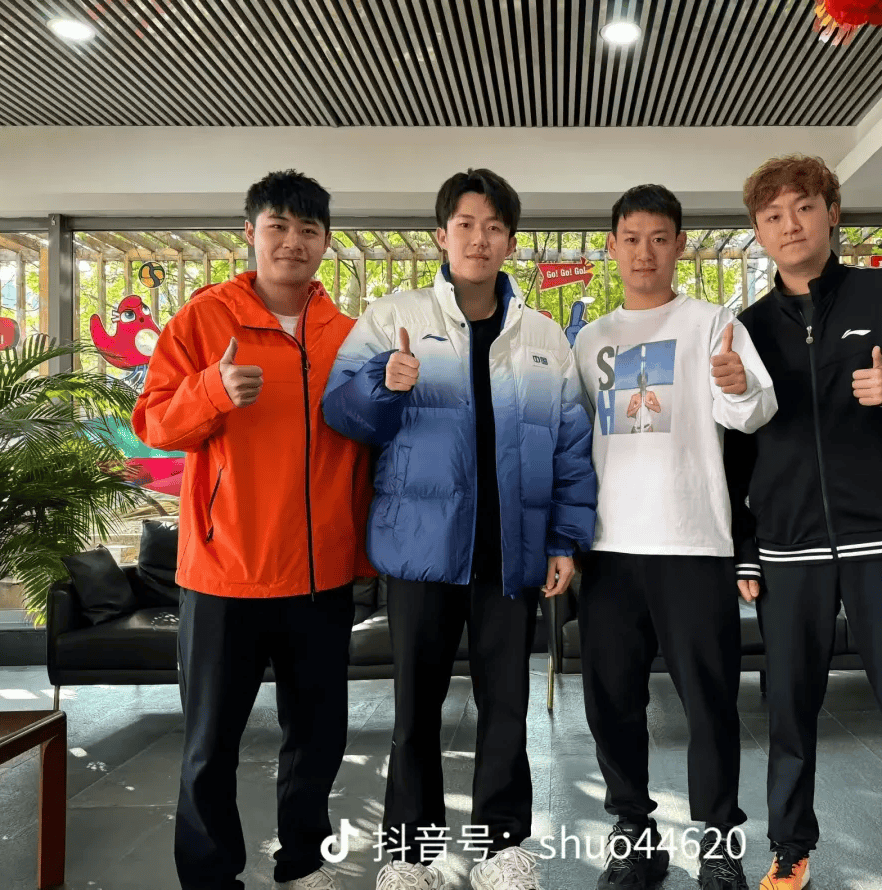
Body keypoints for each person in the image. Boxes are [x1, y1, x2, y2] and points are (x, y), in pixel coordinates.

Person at [322, 168, 597, 890]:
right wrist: (384, 382)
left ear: (511, 241)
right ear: (441, 236)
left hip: (512, 552)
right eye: (466, 225)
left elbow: (571, 445)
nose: (480, 239)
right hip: (422, 550)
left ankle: (503, 849)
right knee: (414, 710)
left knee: (506, 707)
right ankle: (408, 856)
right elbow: (342, 412)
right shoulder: (394, 316)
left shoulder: (543, 336)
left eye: (494, 227)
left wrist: (563, 540)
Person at [725, 155, 882, 890]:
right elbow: (736, 449)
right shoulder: (747, 328)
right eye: (772, 216)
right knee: (788, 710)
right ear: (758, 232)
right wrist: (745, 548)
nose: (789, 225)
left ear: (831, 212)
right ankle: (790, 849)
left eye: (803, 207)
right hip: (788, 548)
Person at [132, 170, 374, 890]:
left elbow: (367, 443)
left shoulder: (346, 335)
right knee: (210, 745)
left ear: (325, 242)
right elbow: (153, 422)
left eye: (308, 230)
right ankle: (210, 877)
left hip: (320, 575)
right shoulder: (204, 320)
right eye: (278, 227)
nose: (292, 242)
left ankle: (304, 862)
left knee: (318, 740)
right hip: (224, 574)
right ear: (251, 232)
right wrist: (212, 389)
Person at [572, 184, 778, 890]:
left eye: (659, 238)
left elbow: (750, 412)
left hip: (692, 544)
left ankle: (718, 845)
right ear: (612, 247)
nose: (645, 253)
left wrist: (737, 383)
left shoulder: (712, 322)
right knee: (611, 705)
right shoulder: (590, 340)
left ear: (680, 246)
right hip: (609, 549)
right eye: (631, 239)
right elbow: (579, 443)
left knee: (710, 704)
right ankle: (634, 835)